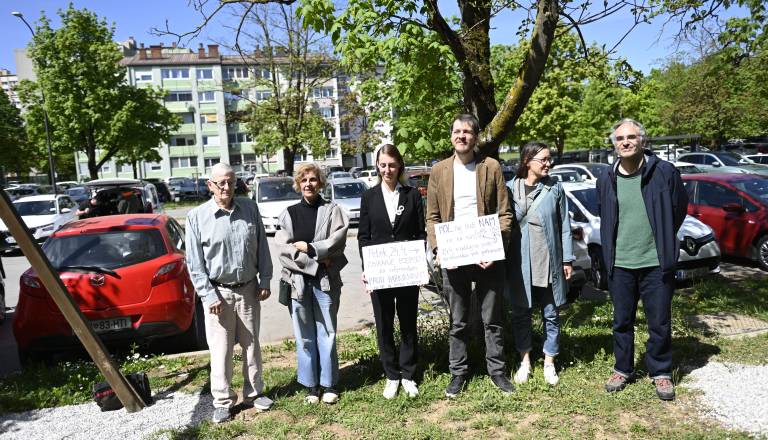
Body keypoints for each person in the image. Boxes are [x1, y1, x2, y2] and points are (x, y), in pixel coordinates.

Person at [597, 119, 688, 401]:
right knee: (621, 321)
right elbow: (605, 214)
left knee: (659, 322)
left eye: (631, 137)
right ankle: (622, 368)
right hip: (620, 263)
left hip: (655, 262)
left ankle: (660, 372)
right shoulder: (605, 178)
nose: (625, 142)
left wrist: (662, 237)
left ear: (643, 141)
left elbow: (679, 209)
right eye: (619, 138)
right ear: (614, 144)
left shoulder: (664, 173)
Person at [426, 113, 515, 397]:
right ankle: (458, 373)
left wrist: (496, 248)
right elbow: (432, 217)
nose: (461, 136)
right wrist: (439, 248)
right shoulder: (439, 170)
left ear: (475, 137)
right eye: (457, 131)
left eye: (467, 132)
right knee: (458, 321)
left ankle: (497, 372)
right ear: (451, 136)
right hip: (454, 256)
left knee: (493, 319)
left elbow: (505, 214)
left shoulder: (491, 167)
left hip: (488, 256)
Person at [185, 163, 274, 423]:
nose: (226, 187)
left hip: (247, 289)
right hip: (218, 294)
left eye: (230, 182)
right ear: (210, 186)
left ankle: (254, 393)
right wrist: (208, 295)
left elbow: (262, 247)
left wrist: (265, 278)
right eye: (220, 183)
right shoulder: (197, 217)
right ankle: (223, 401)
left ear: (236, 183)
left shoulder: (249, 208)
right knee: (221, 350)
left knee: (251, 344)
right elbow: (195, 264)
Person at [276, 163, 349, 405]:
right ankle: (310, 385)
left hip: (326, 283)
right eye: (304, 180)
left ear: (320, 183)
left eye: (313, 179)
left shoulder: (332, 210)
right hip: (298, 282)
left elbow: (337, 241)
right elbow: (284, 251)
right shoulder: (289, 214)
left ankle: (328, 384)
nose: (308, 184)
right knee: (304, 335)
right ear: (298, 184)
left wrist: (309, 247)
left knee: (327, 332)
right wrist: (315, 261)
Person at [358, 144, 426, 399]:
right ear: (377, 166)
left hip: (407, 272)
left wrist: (419, 266)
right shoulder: (368, 197)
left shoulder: (412, 195)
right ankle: (391, 375)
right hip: (380, 273)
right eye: (383, 165)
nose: (387, 170)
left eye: (392, 165)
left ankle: (408, 374)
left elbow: (420, 233)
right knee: (384, 324)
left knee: (408, 323)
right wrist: (367, 269)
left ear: (400, 167)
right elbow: (363, 237)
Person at [505, 141, 574, 386]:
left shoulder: (555, 188)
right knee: (521, 313)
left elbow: (564, 226)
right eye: (543, 159)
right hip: (519, 261)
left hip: (547, 259)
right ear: (527, 161)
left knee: (551, 313)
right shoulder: (509, 188)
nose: (548, 163)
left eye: (549, 158)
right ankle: (525, 361)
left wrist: (567, 258)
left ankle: (549, 362)